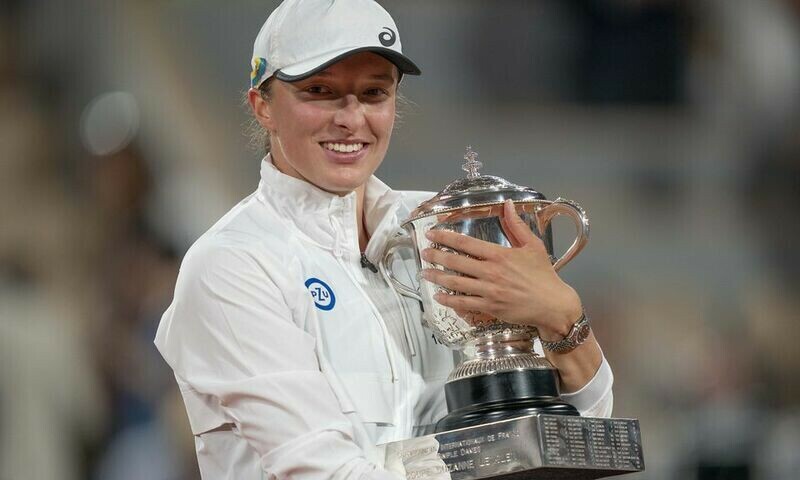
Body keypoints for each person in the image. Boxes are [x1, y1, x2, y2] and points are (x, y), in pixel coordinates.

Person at [155, 0, 613, 478]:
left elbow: (578, 432)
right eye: (320, 91)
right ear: (262, 106)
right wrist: (480, 461)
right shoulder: (233, 264)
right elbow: (323, 472)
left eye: (374, 93)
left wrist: (563, 320)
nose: (351, 119)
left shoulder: (438, 227)